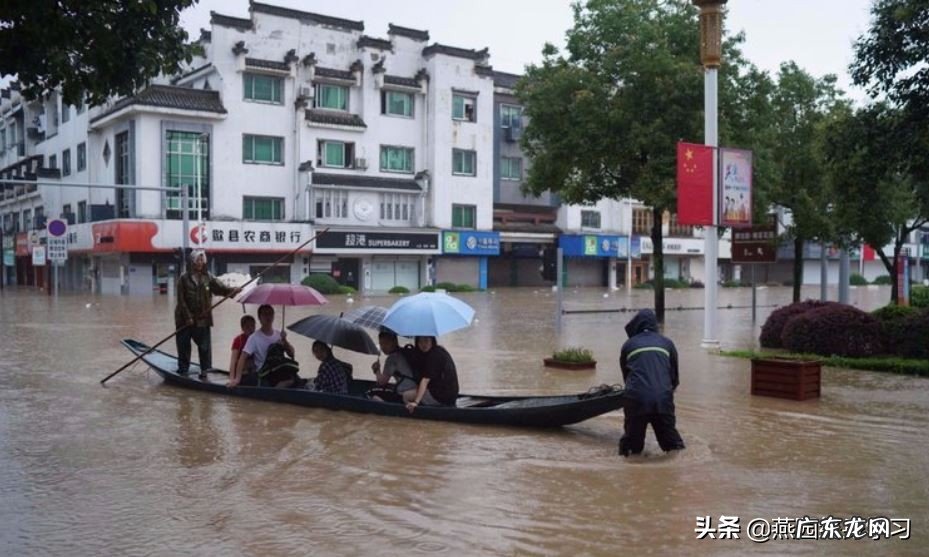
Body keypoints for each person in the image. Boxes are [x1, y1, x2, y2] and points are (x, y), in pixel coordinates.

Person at [618, 309, 685, 457]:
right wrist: (664, 393)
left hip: (636, 400)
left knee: (631, 448)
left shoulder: (629, 345)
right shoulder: (667, 343)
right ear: (655, 325)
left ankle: (630, 471)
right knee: (674, 446)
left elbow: (626, 377)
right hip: (663, 399)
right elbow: (674, 377)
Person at [174, 249, 240, 379]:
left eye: (202, 260)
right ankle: (183, 370)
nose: (200, 262)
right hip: (184, 319)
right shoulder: (183, 278)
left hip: (202, 318)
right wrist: (187, 317)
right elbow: (181, 301)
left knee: (204, 347)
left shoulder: (208, 277)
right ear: (192, 262)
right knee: (184, 346)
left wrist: (234, 291)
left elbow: (221, 289)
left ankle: (205, 371)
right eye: (197, 260)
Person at [236, 304, 295, 386]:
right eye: (265, 314)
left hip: (278, 370)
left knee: (294, 377)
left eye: (271, 314)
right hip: (264, 373)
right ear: (259, 318)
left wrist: (285, 341)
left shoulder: (279, 334)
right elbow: (242, 358)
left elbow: (291, 354)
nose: (268, 317)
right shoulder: (254, 337)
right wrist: (237, 380)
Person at [404, 336, 459, 412]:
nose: (423, 344)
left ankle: (413, 411)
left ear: (432, 341)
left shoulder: (434, 356)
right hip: (451, 396)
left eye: (426, 341)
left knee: (406, 396)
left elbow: (425, 380)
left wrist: (416, 402)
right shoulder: (440, 350)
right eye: (420, 342)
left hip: (441, 397)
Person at [369, 329, 417, 402]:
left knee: (372, 395)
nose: (383, 347)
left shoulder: (392, 358)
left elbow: (382, 382)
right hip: (416, 390)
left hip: (404, 393)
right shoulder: (404, 352)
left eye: (386, 343)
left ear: (395, 342)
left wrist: (377, 370)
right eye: (381, 344)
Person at [227, 315, 256, 387]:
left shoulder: (256, 339)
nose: (251, 329)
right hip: (242, 372)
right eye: (247, 327)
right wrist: (231, 379)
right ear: (242, 328)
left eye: (252, 326)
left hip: (254, 370)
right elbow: (233, 361)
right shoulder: (238, 340)